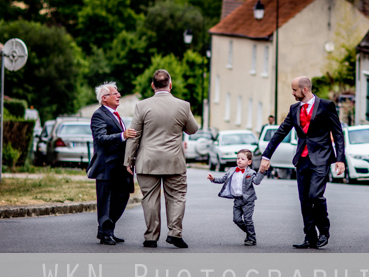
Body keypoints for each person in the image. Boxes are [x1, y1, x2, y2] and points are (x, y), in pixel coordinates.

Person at [259, 76, 345, 249]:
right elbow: (280, 132)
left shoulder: (326, 106)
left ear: (305, 89)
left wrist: (340, 159)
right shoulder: (294, 109)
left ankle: (324, 230)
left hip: (321, 158)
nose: (292, 93)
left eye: (294, 90)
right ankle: (309, 237)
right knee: (304, 199)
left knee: (315, 195)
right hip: (302, 160)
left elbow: (338, 133)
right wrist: (266, 156)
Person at [124, 69, 199, 248]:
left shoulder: (142, 106)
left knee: (149, 198)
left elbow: (134, 135)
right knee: (177, 196)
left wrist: (128, 160)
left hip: (147, 160)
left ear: (152, 85)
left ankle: (151, 236)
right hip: (174, 160)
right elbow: (193, 129)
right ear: (170, 85)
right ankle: (175, 233)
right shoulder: (183, 106)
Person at [87, 82, 138, 245]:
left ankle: (107, 229)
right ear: (104, 98)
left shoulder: (115, 114)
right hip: (106, 166)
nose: (119, 95)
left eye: (118, 93)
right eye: (115, 93)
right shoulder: (99, 115)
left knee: (122, 197)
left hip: (120, 167)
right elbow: (101, 139)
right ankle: (106, 232)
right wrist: (122, 135)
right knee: (105, 201)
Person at [207, 149, 267, 245]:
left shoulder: (250, 172)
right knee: (236, 219)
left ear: (249, 162)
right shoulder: (232, 170)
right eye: (238, 158)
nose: (239, 160)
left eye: (242, 159)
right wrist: (213, 179)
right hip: (237, 200)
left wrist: (262, 172)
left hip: (248, 200)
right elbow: (223, 179)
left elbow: (256, 181)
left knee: (248, 219)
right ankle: (249, 233)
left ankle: (251, 238)